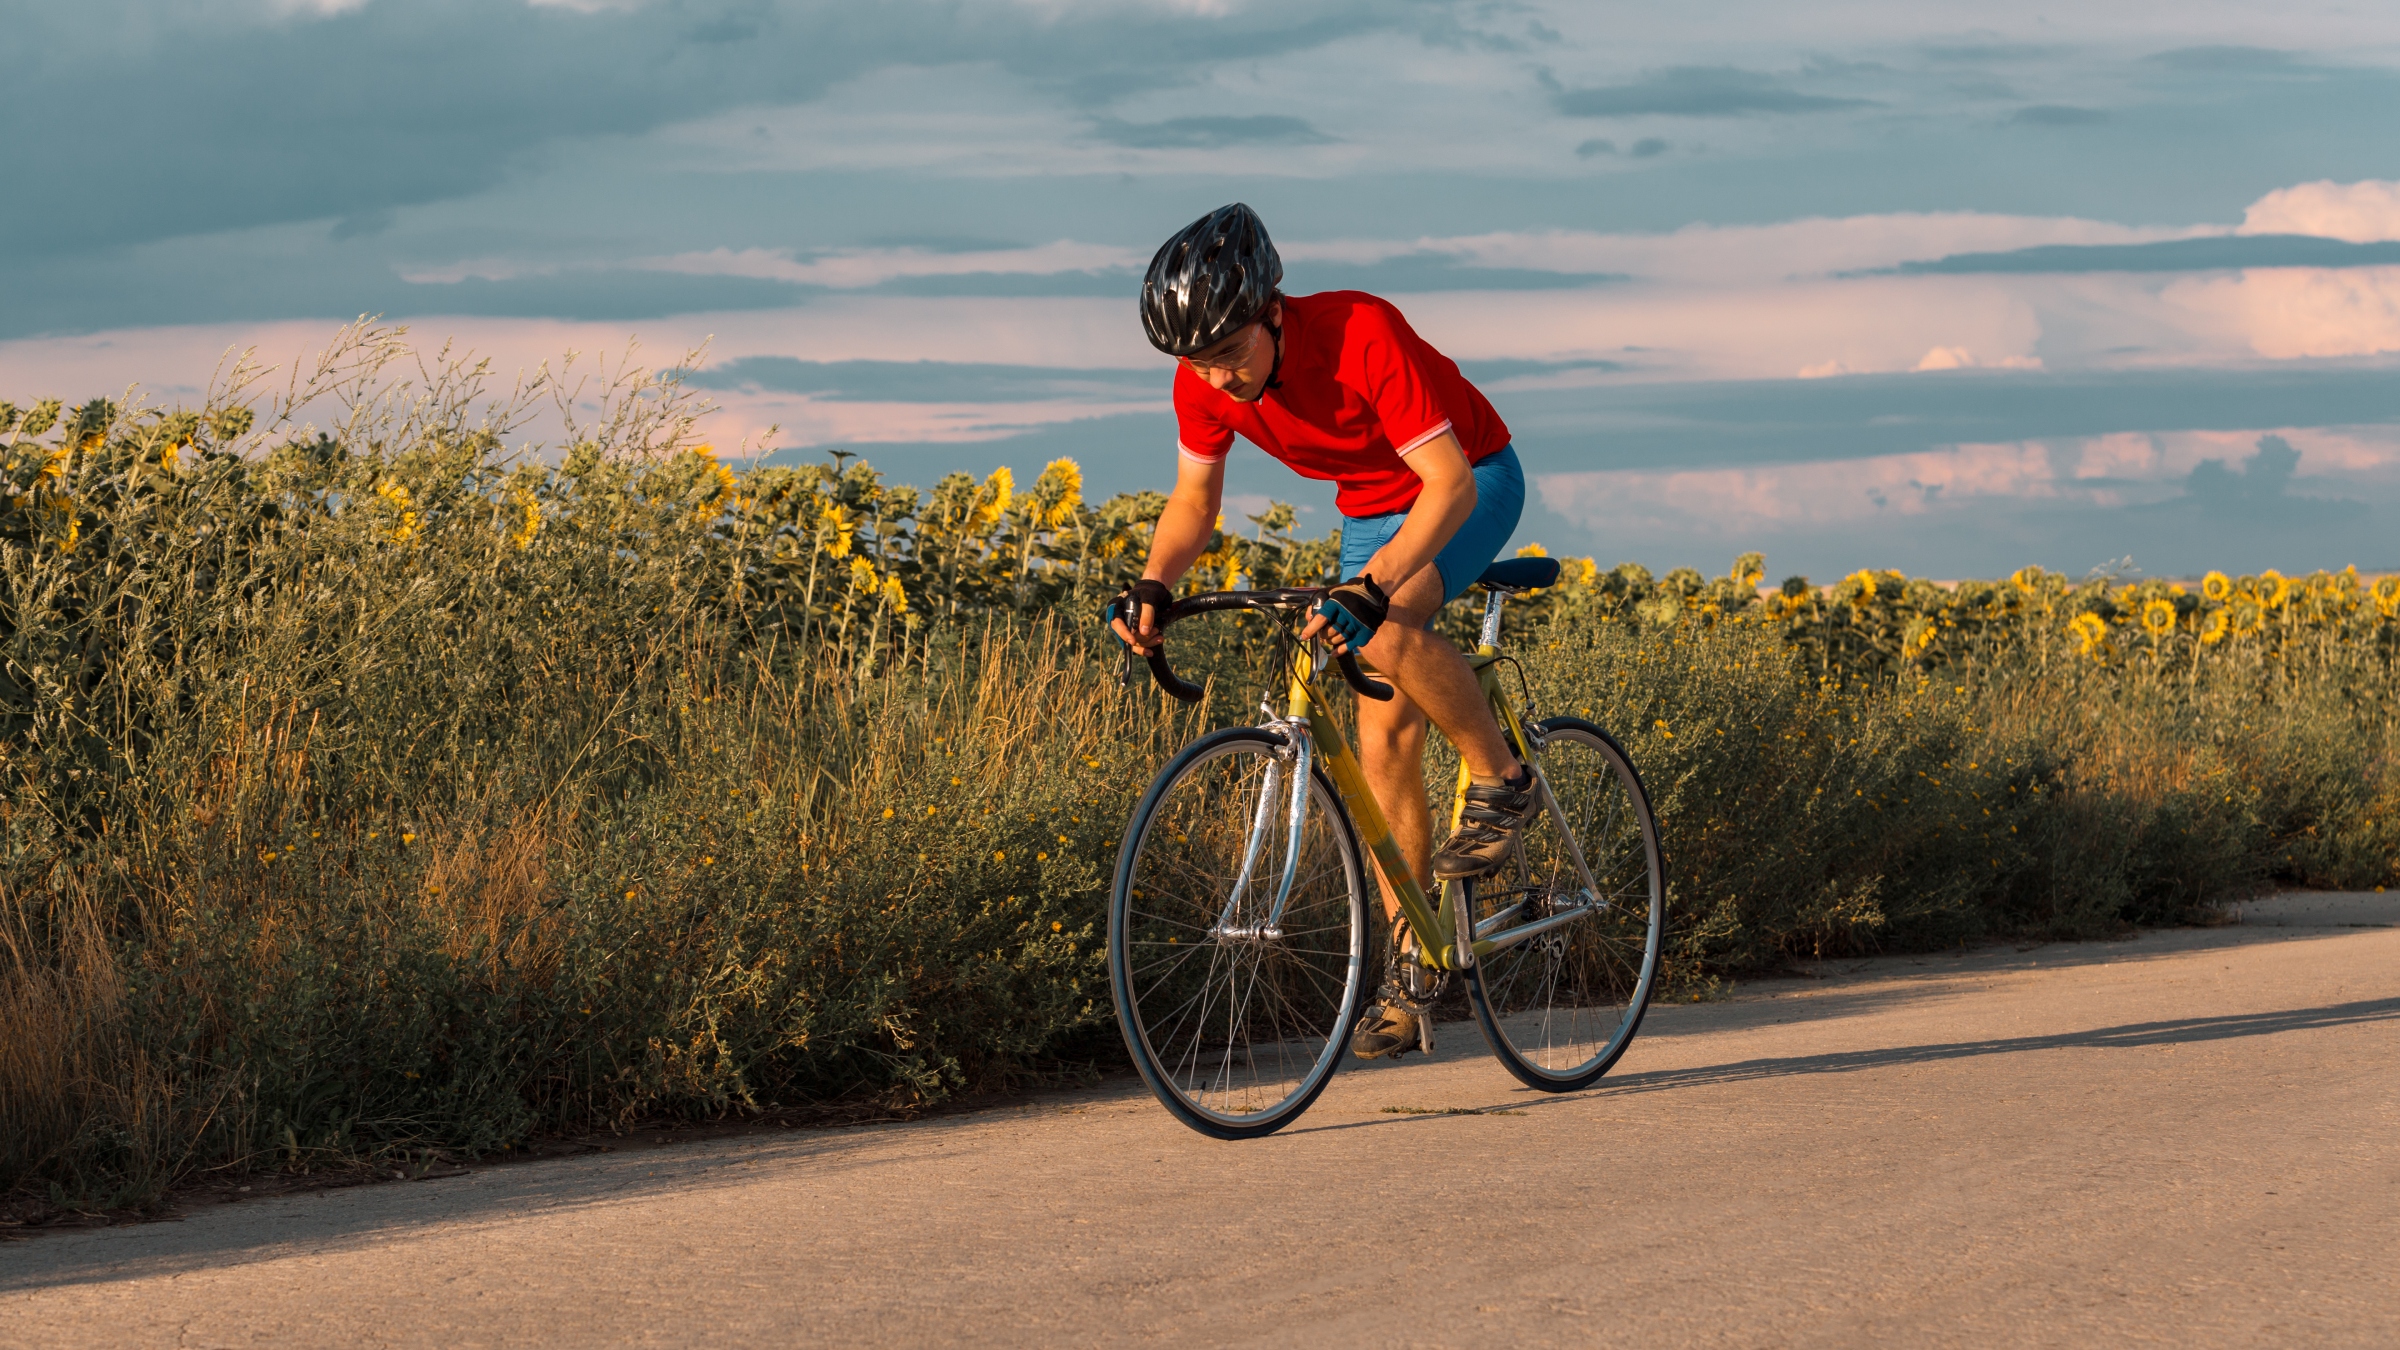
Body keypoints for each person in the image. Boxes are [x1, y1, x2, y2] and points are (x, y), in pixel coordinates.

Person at [1109, 202, 1537, 1060]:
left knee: (1380, 629)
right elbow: (1195, 502)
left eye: (1232, 355)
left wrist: (1374, 588)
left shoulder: (1359, 333)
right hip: (1374, 509)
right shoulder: (1201, 381)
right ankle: (1415, 968)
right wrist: (1157, 583)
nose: (1221, 380)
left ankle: (1503, 779)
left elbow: (1447, 483)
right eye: (1200, 363)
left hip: (1467, 478)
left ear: (1273, 311)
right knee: (1382, 738)